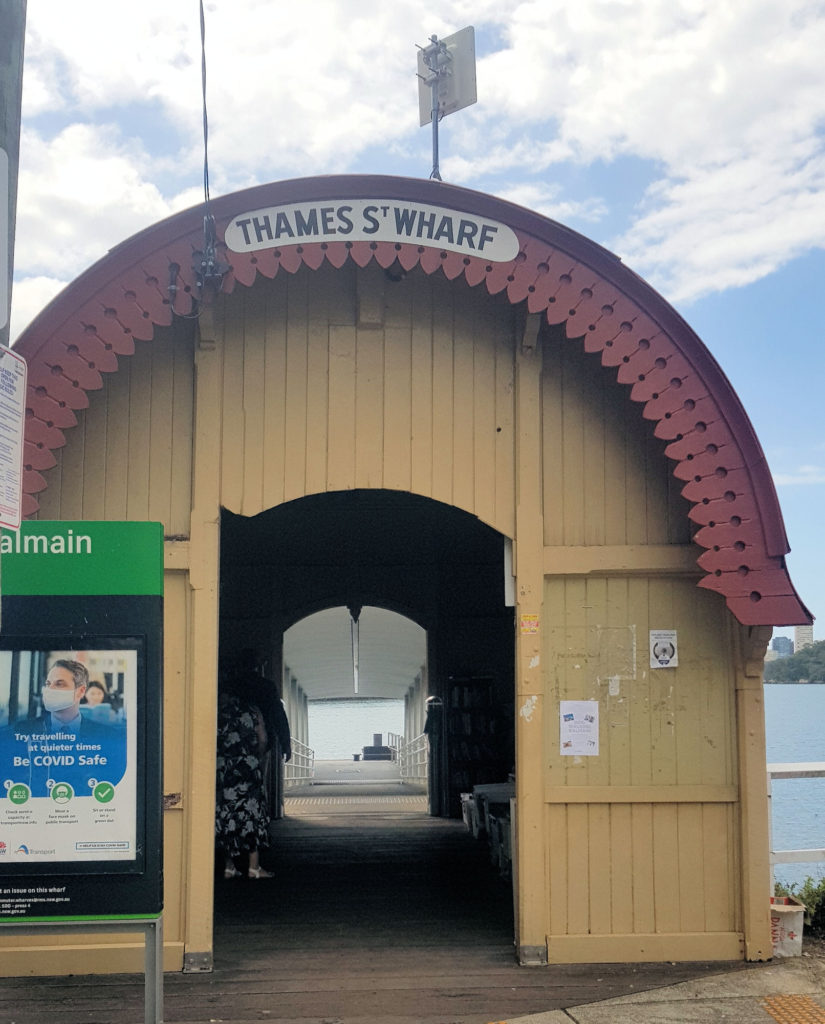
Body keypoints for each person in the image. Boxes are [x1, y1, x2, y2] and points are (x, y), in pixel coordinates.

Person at [0, 659, 126, 799]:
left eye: (59, 684)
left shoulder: (108, 736)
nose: (50, 690)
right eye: (48, 684)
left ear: (80, 691)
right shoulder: (20, 732)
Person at [215, 692, 273, 879]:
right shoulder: (252, 711)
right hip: (248, 767)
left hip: (225, 768)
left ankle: (229, 866)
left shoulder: (218, 712)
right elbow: (263, 738)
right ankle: (253, 867)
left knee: (227, 815)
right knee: (251, 814)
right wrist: (256, 757)